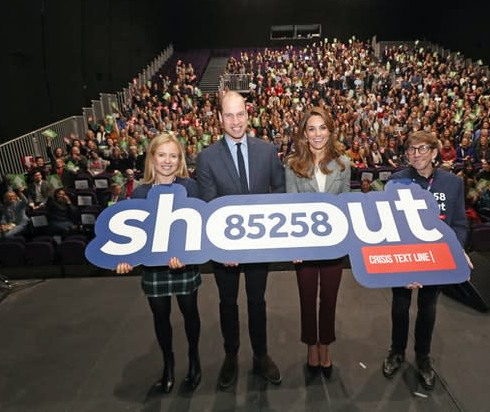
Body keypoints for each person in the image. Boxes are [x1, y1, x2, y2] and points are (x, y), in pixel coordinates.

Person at [196, 90, 285, 388]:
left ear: (248, 115)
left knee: (257, 302)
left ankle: (261, 355)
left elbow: (280, 193)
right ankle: (231, 356)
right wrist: (223, 247)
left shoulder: (268, 151)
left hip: (260, 247)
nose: (236, 121)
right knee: (227, 303)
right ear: (220, 119)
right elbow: (209, 206)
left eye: (240, 114)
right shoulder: (206, 158)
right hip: (225, 252)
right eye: (229, 115)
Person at [115, 134, 202, 393]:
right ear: (152, 158)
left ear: (180, 159)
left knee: (190, 314)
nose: (167, 161)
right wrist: (126, 260)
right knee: (161, 318)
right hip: (153, 268)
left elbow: (198, 227)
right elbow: (133, 234)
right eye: (162, 155)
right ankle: (168, 363)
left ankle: (194, 360)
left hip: (184, 264)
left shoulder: (191, 186)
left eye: (173, 155)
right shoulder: (140, 192)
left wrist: (185, 255)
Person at [382, 130, 468, 391]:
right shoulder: (396, 181)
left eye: (422, 149)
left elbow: (460, 224)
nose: (416, 154)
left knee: (428, 309)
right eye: (411, 149)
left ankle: (422, 357)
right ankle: (396, 351)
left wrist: (456, 250)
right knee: (399, 306)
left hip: (437, 258)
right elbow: (390, 224)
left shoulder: (453, 183)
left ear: (434, 152)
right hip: (405, 256)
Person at [285, 107, 350, 378]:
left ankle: (326, 346)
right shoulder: (292, 165)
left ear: (330, 130)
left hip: (334, 245)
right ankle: (311, 345)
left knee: (330, 300)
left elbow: (346, 205)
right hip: (306, 247)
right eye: (311, 128)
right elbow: (290, 208)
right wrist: (295, 246)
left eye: (322, 127)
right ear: (304, 134)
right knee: (307, 299)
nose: (317, 134)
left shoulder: (344, 163)